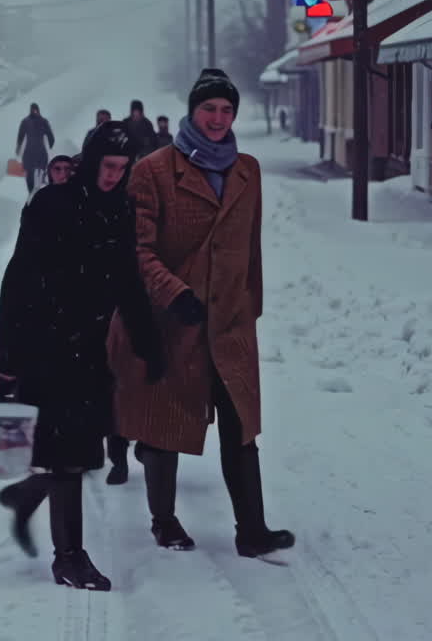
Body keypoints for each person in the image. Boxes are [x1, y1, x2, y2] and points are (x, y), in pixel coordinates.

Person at [107, 69, 295, 559]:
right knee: (165, 427)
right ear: (192, 111)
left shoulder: (248, 171)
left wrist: (249, 308)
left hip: (230, 323)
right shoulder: (152, 171)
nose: (217, 118)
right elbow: (137, 249)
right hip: (175, 322)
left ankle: (251, 531)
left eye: (226, 110)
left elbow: (250, 249)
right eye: (209, 109)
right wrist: (174, 293)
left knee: (240, 429)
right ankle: (164, 521)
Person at [0, 122, 165, 591]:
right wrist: (6, 356)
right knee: (69, 455)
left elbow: (129, 283)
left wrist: (149, 344)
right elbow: (18, 280)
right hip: (46, 348)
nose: (114, 176)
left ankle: (27, 494)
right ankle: (69, 557)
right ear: (90, 162)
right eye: (108, 166)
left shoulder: (120, 211)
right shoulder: (51, 204)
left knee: (81, 449)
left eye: (122, 169)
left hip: (90, 349)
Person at [15, 102, 56, 193]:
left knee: (36, 171)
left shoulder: (27, 121)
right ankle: (33, 191)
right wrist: (50, 144)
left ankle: (35, 190)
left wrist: (18, 148)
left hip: (34, 152)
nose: (35, 111)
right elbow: (21, 136)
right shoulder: (40, 121)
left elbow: (50, 136)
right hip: (36, 152)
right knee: (34, 172)